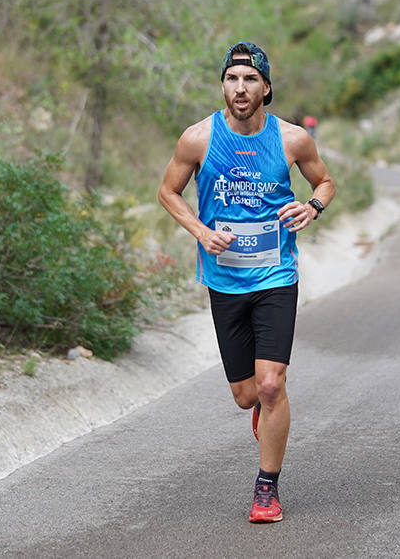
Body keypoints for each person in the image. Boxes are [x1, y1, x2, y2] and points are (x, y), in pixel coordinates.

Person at [158, 41, 335, 524]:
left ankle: (266, 488)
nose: (240, 88)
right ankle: (261, 403)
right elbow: (167, 191)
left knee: (272, 385)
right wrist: (200, 231)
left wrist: (312, 206)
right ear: (223, 85)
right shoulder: (197, 138)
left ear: (267, 87)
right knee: (246, 395)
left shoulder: (292, 139)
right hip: (224, 278)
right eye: (232, 79)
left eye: (250, 80)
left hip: (276, 275)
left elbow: (324, 182)